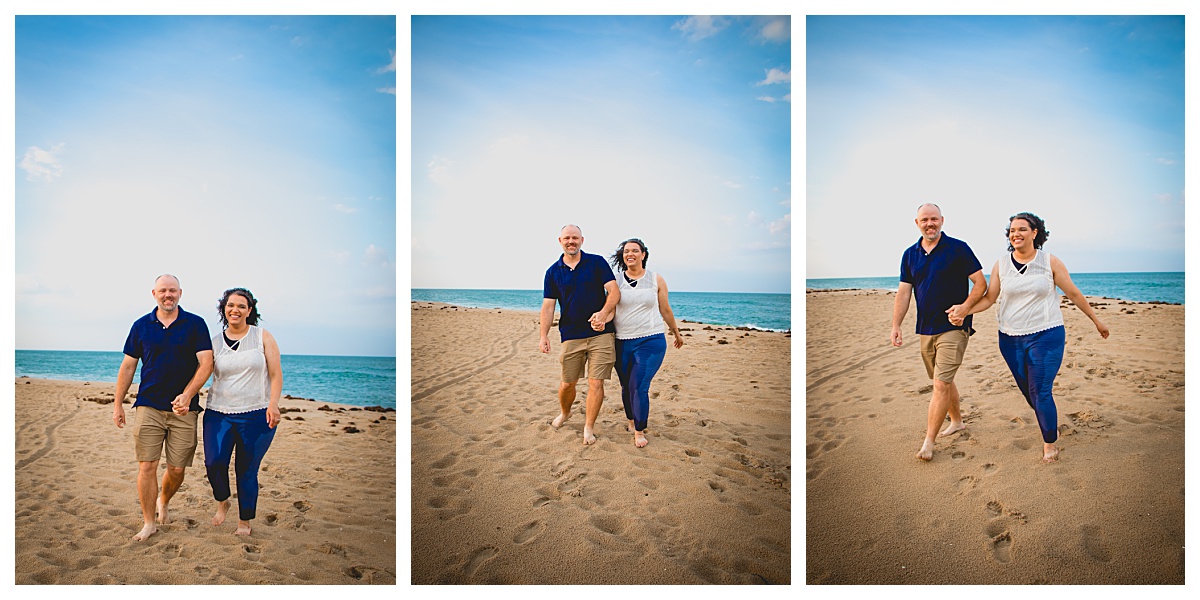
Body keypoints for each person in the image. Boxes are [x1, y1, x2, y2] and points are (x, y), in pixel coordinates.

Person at [949, 212, 1109, 463]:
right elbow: (990, 299)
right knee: (1028, 391)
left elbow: (1074, 294)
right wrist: (964, 310)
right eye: (1012, 230)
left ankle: (1050, 443)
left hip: (1046, 334)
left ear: (1035, 233)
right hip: (1010, 338)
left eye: (1022, 229)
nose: (1016, 234)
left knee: (1040, 389)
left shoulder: (1050, 262)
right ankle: (1049, 422)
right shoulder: (1001, 264)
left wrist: (1096, 320)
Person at [114, 274, 214, 541]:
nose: (167, 295)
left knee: (177, 469)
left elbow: (207, 363)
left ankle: (164, 501)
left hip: (185, 410)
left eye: (172, 290)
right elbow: (128, 366)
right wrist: (118, 404)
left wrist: (188, 395)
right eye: (162, 291)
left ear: (180, 293)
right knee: (147, 466)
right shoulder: (140, 326)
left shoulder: (195, 324)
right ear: (154, 294)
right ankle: (148, 523)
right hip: (149, 405)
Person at [890, 204, 987, 461]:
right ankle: (957, 421)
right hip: (926, 328)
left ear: (942, 220)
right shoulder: (910, 254)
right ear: (917, 223)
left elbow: (980, 283)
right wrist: (896, 325)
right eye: (925, 219)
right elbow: (903, 292)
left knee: (940, 384)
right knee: (943, 380)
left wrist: (965, 308)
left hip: (954, 326)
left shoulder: (958, 248)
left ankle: (928, 443)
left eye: (934, 219)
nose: (929, 223)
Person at [202, 287, 283, 535]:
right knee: (214, 462)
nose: (234, 310)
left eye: (241, 306)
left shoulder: (262, 337)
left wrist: (273, 404)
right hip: (218, 413)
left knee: (246, 470)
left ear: (249, 310)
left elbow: (275, 373)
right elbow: (201, 371)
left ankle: (244, 522)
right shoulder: (214, 342)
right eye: (230, 305)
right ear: (223, 309)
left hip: (257, 414)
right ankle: (222, 500)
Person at [539, 224, 620, 445]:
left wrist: (603, 314)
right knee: (567, 383)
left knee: (596, 382)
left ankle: (588, 427)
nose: (571, 241)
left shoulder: (596, 263)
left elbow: (614, 292)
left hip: (601, 334)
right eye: (567, 238)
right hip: (570, 334)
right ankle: (565, 413)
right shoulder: (553, 271)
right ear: (560, 241)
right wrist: (543, 335)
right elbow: (548, 307)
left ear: (582, 240)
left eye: (575, 238)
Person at [603, 238, 684, 448]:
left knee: (638, 386)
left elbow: (665, 309)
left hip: (651, 339)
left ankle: (639, 430)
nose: (630, 254)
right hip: (622, 341)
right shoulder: (615, 281)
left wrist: (676, 332)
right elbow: (611, 309)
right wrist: (601, 319)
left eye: (634, 251)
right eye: (626, 251)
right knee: (626, 387)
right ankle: (631, 420)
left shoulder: (656, 279)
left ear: (643, 254)